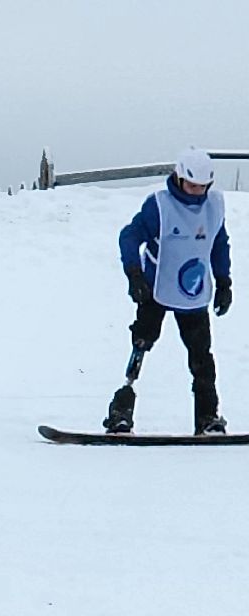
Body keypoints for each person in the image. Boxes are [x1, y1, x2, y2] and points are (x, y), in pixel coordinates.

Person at [106, 149, 231, 435]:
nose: (196, 192)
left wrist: (225, 281)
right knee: (142, 344)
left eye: (202, 187)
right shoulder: (159, 206)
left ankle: (208, 419)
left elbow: (219, 243)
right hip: (154, 289)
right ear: (178, 177)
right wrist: (134, 273)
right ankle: (120, 413)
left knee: (202, 357)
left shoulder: (214, 206)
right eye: (191, 185)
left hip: (193, 293)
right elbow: (129, 236)